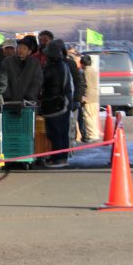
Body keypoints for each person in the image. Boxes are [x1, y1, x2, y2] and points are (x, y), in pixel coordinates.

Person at [40, 39, 73, 168]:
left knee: (55, 132)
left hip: (55, 104)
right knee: (62, 132)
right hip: (63, 102)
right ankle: (62, 157)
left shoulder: (52, 68)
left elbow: (41, 82)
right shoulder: (63, 65)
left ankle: (57, 159)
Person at [1, 38, 43, 103]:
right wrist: (7, 96)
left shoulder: (34, 63)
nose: (20, 50)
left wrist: (29, 97)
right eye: (19, 48)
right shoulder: (7, 61)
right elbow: (3, 79)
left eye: (24, 49)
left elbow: (37, 82)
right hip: (9, 102)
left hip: (28, 102)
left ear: (29, 51)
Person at [80, 55, 100, 142]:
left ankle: (92, 135)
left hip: (89, 97)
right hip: (95, 96)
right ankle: (95, 133)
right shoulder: (94, 70)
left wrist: (83, 97)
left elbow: (85, 85)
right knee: (94, 116)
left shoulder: (86, 71)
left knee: (88, 117)